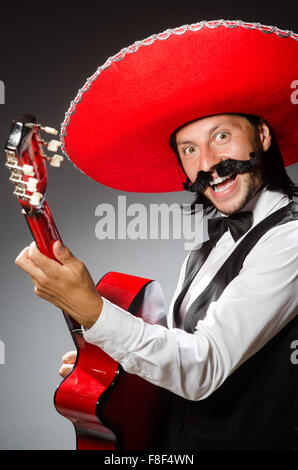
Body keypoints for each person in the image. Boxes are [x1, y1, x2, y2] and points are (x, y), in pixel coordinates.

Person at [15, 20, 298, 449]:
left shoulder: (291, 239)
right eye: (189, 149)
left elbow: (203, 366)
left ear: (261, 135)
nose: (207, 163)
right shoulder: (209, 243)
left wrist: (94, 312)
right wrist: (127, 369)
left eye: (221, 136)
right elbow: (183, 351)